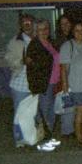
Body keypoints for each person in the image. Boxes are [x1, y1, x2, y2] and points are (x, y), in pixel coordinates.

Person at [26, 19, 62, 152]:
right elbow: (30, 68)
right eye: (41, 29)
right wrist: (34, 87)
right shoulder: (34, 45)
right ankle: (42, 141)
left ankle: (49, 137)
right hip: (43, 85)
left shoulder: (51, 43)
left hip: (54, 83)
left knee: (52, 113)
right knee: (44, 114)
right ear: (36, 31)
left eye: (46, 28)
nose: (44, 31)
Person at [4, 13, 35, 147]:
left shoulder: (37, 39)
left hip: (34, 84)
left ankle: (31, 138)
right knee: (19, 114)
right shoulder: (15, 41)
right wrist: (22, 61)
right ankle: (20, 140)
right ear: (21, 25)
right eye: (25, 23)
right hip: (19, 84)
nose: (27, 25)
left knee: (32, 113)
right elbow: (9, 60)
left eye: (29, 23)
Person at [53, 14, 75, 138]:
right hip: (63, 76)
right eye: (62, 24)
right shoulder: (58, 41)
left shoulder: (74, 38)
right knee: (67, 103)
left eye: (67, 23)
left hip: (75, 75)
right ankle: (67, 131)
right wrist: (64, 80)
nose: (65, 26)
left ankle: (71, 128)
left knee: (73, 103)